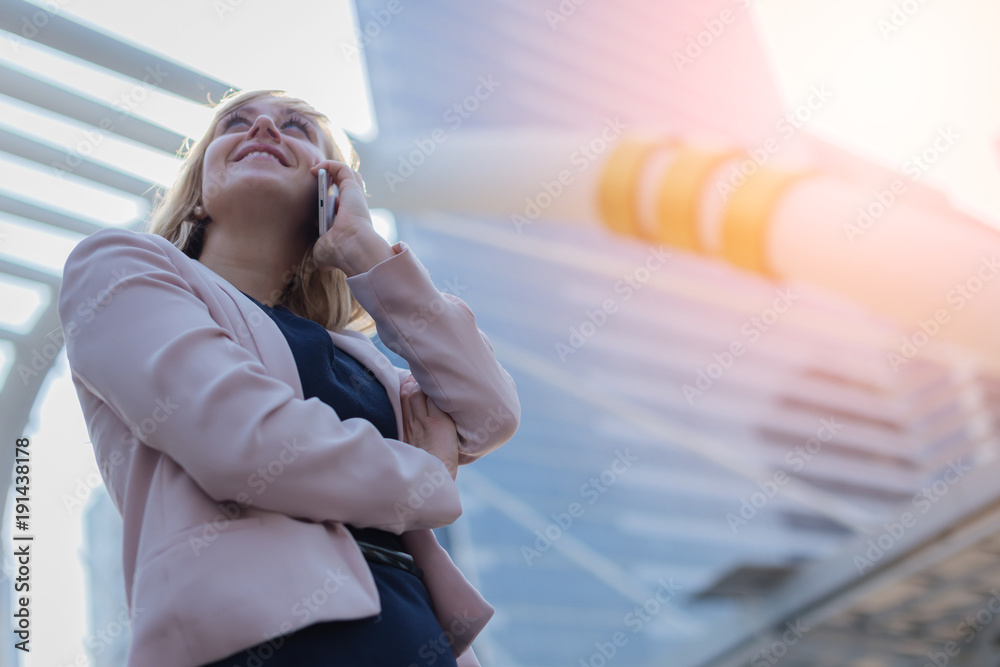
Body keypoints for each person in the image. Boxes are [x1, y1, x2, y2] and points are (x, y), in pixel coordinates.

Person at [57, 89, 520, 667]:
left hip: (415, 632)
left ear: (330, 194)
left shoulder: (360, 359)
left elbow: (490, 412)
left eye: (297, 128)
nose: (266, 131)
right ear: (198, 192)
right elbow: (241, 442)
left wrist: (364, 249)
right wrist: (425, 476)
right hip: (265, 642)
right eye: (236, 123)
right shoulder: (120, 267)